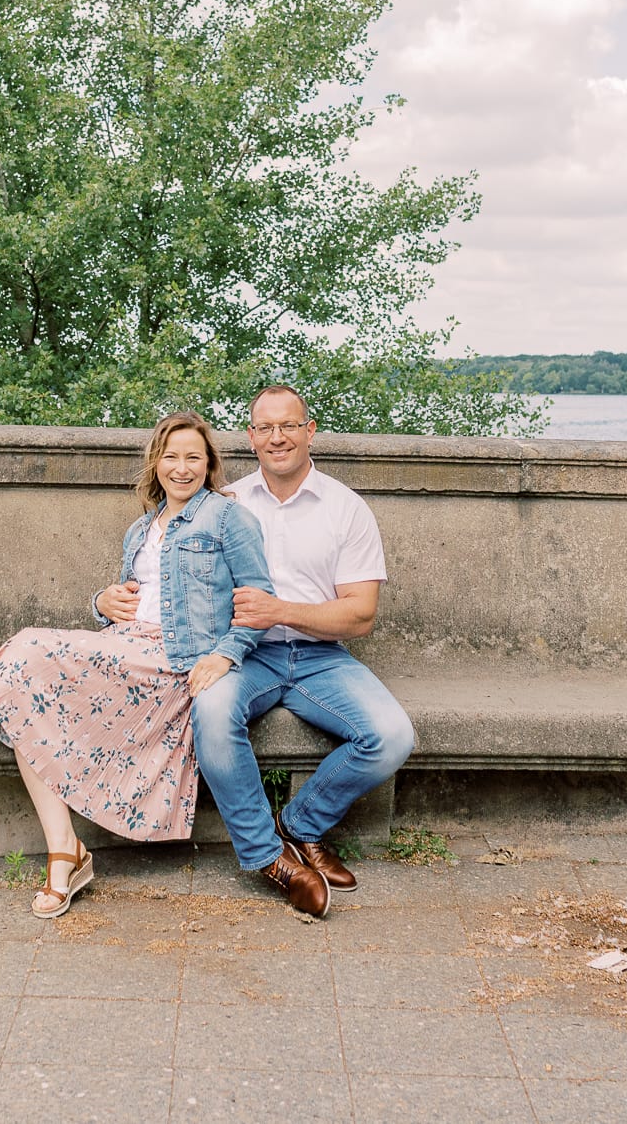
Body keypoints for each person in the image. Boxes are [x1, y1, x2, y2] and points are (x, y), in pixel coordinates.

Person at [0, 411, 282, 918]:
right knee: (26, 697)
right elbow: (131, 601)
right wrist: (100, 602)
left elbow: (260, 602)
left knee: (28, 652)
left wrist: (222, 655)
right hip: (126, 648)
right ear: (155, 462)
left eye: (193, 457)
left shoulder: (228, 517)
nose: (181, 468)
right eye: (171, 457)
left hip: (172, 661)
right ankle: (65, 855)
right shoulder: (141, 529)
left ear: (209, 464)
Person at [191, 384, 416, 897]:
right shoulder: (224, 505)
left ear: (309, 430)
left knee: (391, 736)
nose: (278, 438)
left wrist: (282, 611)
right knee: (210, 709)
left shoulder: (345, 507)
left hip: (323, 658)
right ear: (250, 437)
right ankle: (268, 855)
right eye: (265, 427)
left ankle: (301, 825)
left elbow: (360, 615)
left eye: (289, 425)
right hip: (247, 654)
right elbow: (169, 568)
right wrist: (106, 598)